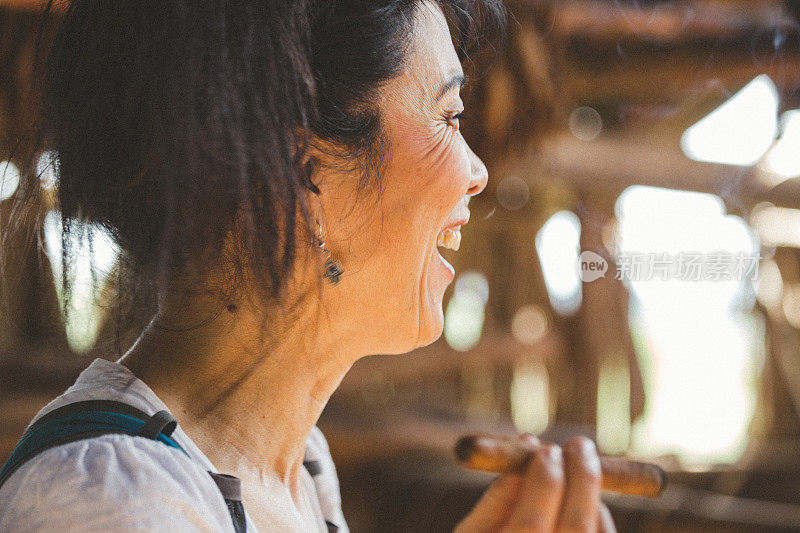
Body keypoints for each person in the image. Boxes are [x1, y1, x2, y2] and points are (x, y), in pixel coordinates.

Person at [0, 1, 616, 531]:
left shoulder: (296, 472)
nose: (478, 172)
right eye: (450, 117)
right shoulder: (110, 502)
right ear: (305, 174)